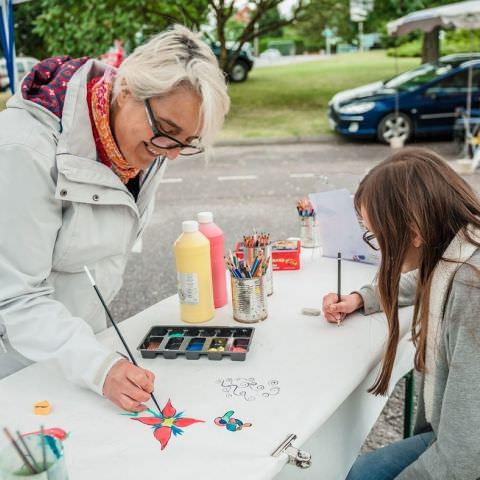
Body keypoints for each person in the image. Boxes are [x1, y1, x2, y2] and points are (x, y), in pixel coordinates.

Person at [0, 25, 230, 413]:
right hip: (19, 368)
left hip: (78, 351)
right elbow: (16, 297)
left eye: (185, 143)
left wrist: (94, 358)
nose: (170, 155)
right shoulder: (24, 151)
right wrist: (97, 366)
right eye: (167, 133)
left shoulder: (146, 144)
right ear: (126, 90)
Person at [323, 147, 480, 479]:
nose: (378, 247)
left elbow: (466, 458)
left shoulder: (472, 290)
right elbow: (423, 279)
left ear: (415, 231)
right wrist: (361, 298)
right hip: (455, 439)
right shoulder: (462, 245)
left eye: (376, 235)